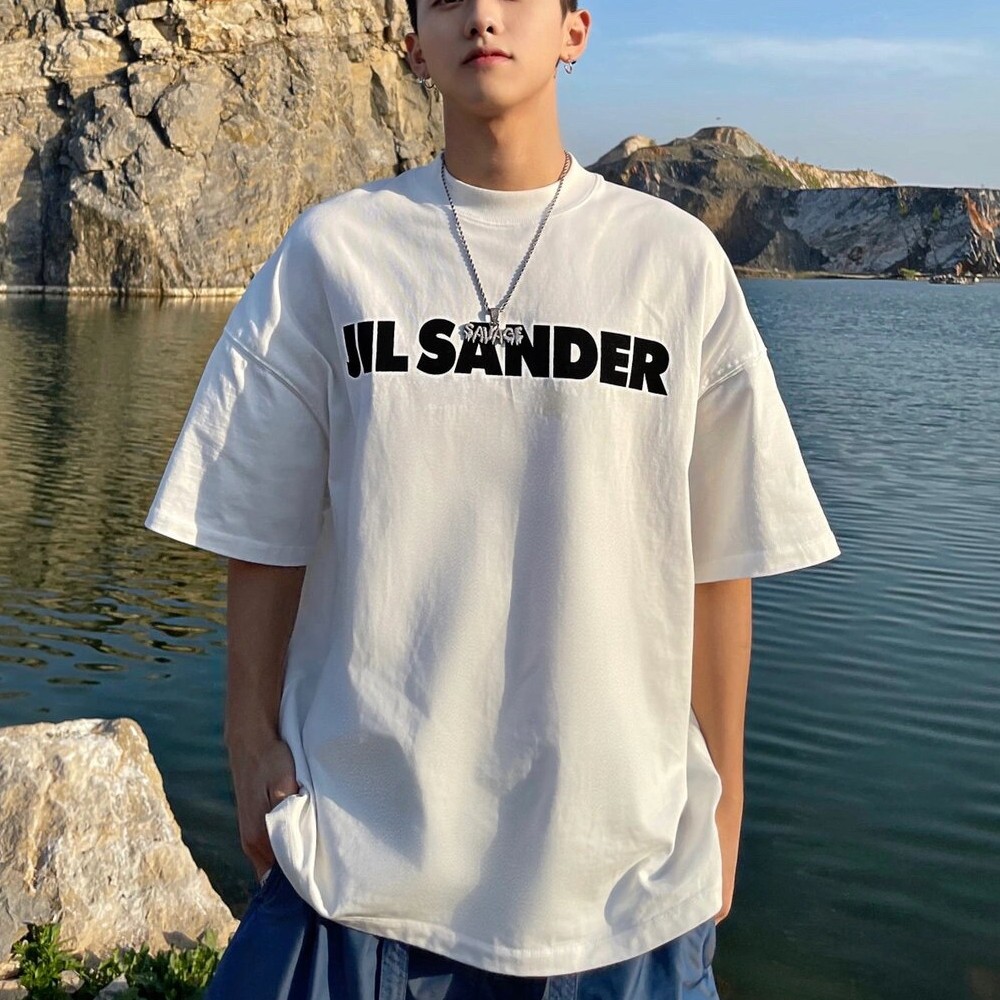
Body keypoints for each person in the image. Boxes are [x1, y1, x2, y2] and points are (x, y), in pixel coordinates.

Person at [144, 0, 841, 997]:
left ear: (574, 31)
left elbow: (720, 553)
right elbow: (259, 518)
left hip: (621, 886)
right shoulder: (334, 253)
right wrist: (247, 737)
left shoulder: (673, 261)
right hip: (358, 867)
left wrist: (724, 800)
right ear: (412, 45)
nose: (480, 15)